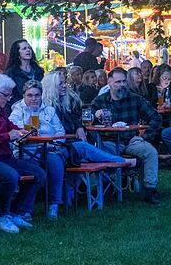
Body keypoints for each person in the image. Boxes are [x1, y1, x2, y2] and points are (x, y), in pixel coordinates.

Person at [40, 70, 131, 206]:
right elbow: (58, 132)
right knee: (83, 150)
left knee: (84, 154)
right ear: (51, 86)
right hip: (60, 146)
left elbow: (76, 118)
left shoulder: (66, 103)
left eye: (65, 82)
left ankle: (69, 196)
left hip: (69, 145)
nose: (65, 86)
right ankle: (121, 162)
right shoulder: (47, 108)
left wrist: (79, 126)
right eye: (61, 84)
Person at [0, 74, 45, 234]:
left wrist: (19, 131)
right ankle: (1, 214)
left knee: (39, 174)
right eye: (7, 95)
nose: (10, 98)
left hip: (4, 155)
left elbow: (8, 125)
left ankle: (17, 211)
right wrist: (8, 136)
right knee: (11, 176)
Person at [93, 68, 161, 205]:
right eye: (118, 82)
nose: (122, 84)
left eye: (124, 81)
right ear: (109, 82)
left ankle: (150, 190)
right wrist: (95, 116)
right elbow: (86, 123)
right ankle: (110, 187)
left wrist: (146, 137)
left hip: (131, 140)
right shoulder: (99, 101)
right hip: (109, 141)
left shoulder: (134, 98)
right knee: (101, 151)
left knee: (150, 151)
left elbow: (155, 117)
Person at [9, 80, 68, 220]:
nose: (34, 98)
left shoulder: (49, 110)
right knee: (34, 169)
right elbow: (11, 126)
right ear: (23, 96)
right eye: (30, 95)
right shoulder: (18, 110)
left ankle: (54, 204)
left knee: (54, 160)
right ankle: (26, 210)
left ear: (41, 95)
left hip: (47, 148)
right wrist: (26, 127)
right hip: (25, 149)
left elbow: (61, 133)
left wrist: (53, 143)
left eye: (37, 95)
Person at [4, 39, 45, 104]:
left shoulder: (38, 70)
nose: (28, 50)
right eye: (24, 48)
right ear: (17, 53)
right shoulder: (11, 72)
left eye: (29, 48)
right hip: (18, 107)